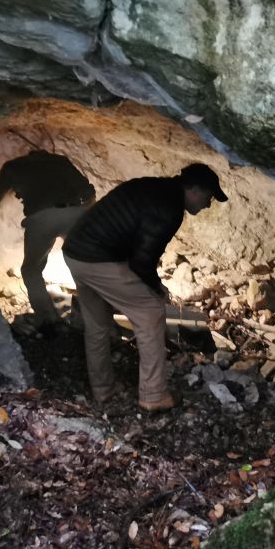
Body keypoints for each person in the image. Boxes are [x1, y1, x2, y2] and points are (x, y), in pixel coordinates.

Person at [62, 163, 228, 412]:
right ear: (193, 190)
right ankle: (154, 395)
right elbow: (142, 260)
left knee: (97, 323)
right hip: (97, 257)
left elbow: (137, 248)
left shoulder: (155, 188)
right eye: (209, 197)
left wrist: (151, 283)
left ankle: (102, 390)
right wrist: (155, 288)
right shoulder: (168, 207)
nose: (208, 204)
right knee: (151, 312)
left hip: (75, 252)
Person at [0, 152, 95, 326]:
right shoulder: (59, 161)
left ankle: (47, 320)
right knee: (83, 264)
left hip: (41, 218)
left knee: (31, 269)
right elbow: (88, 191)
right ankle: (95, 315)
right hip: (75, 211)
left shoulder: (14, 167)